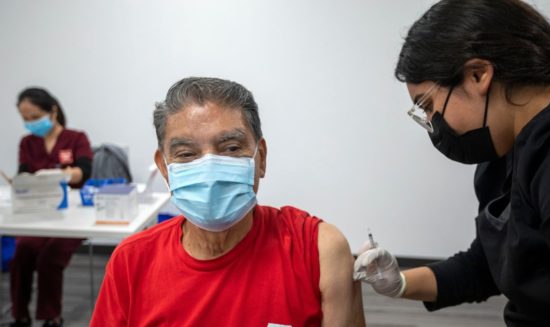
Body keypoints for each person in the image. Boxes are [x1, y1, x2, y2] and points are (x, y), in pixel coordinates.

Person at [91, 77, 365, 326]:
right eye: (187, 154)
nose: (209, 169)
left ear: (261, 158)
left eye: (231, 148)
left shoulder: (317, 250)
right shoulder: (131, 262)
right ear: (164, 167)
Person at [354, 0, 550, 325]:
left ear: (478, 74)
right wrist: (399, 283)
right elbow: (487, 266)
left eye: (429, 105)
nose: (433, 123)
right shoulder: (503, 154)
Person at [11, 88, 93, 327]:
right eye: (26, 119)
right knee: (22, 253)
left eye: (35, 117)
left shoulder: (76, 138)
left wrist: (61, 174)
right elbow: (23, 175)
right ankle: (20, 316)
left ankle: (50, 317)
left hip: (73, 216)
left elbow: (84, 171)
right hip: (39, 214)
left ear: (52, 110)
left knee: (49, 258)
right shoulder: (27, 143)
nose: (30, 123)